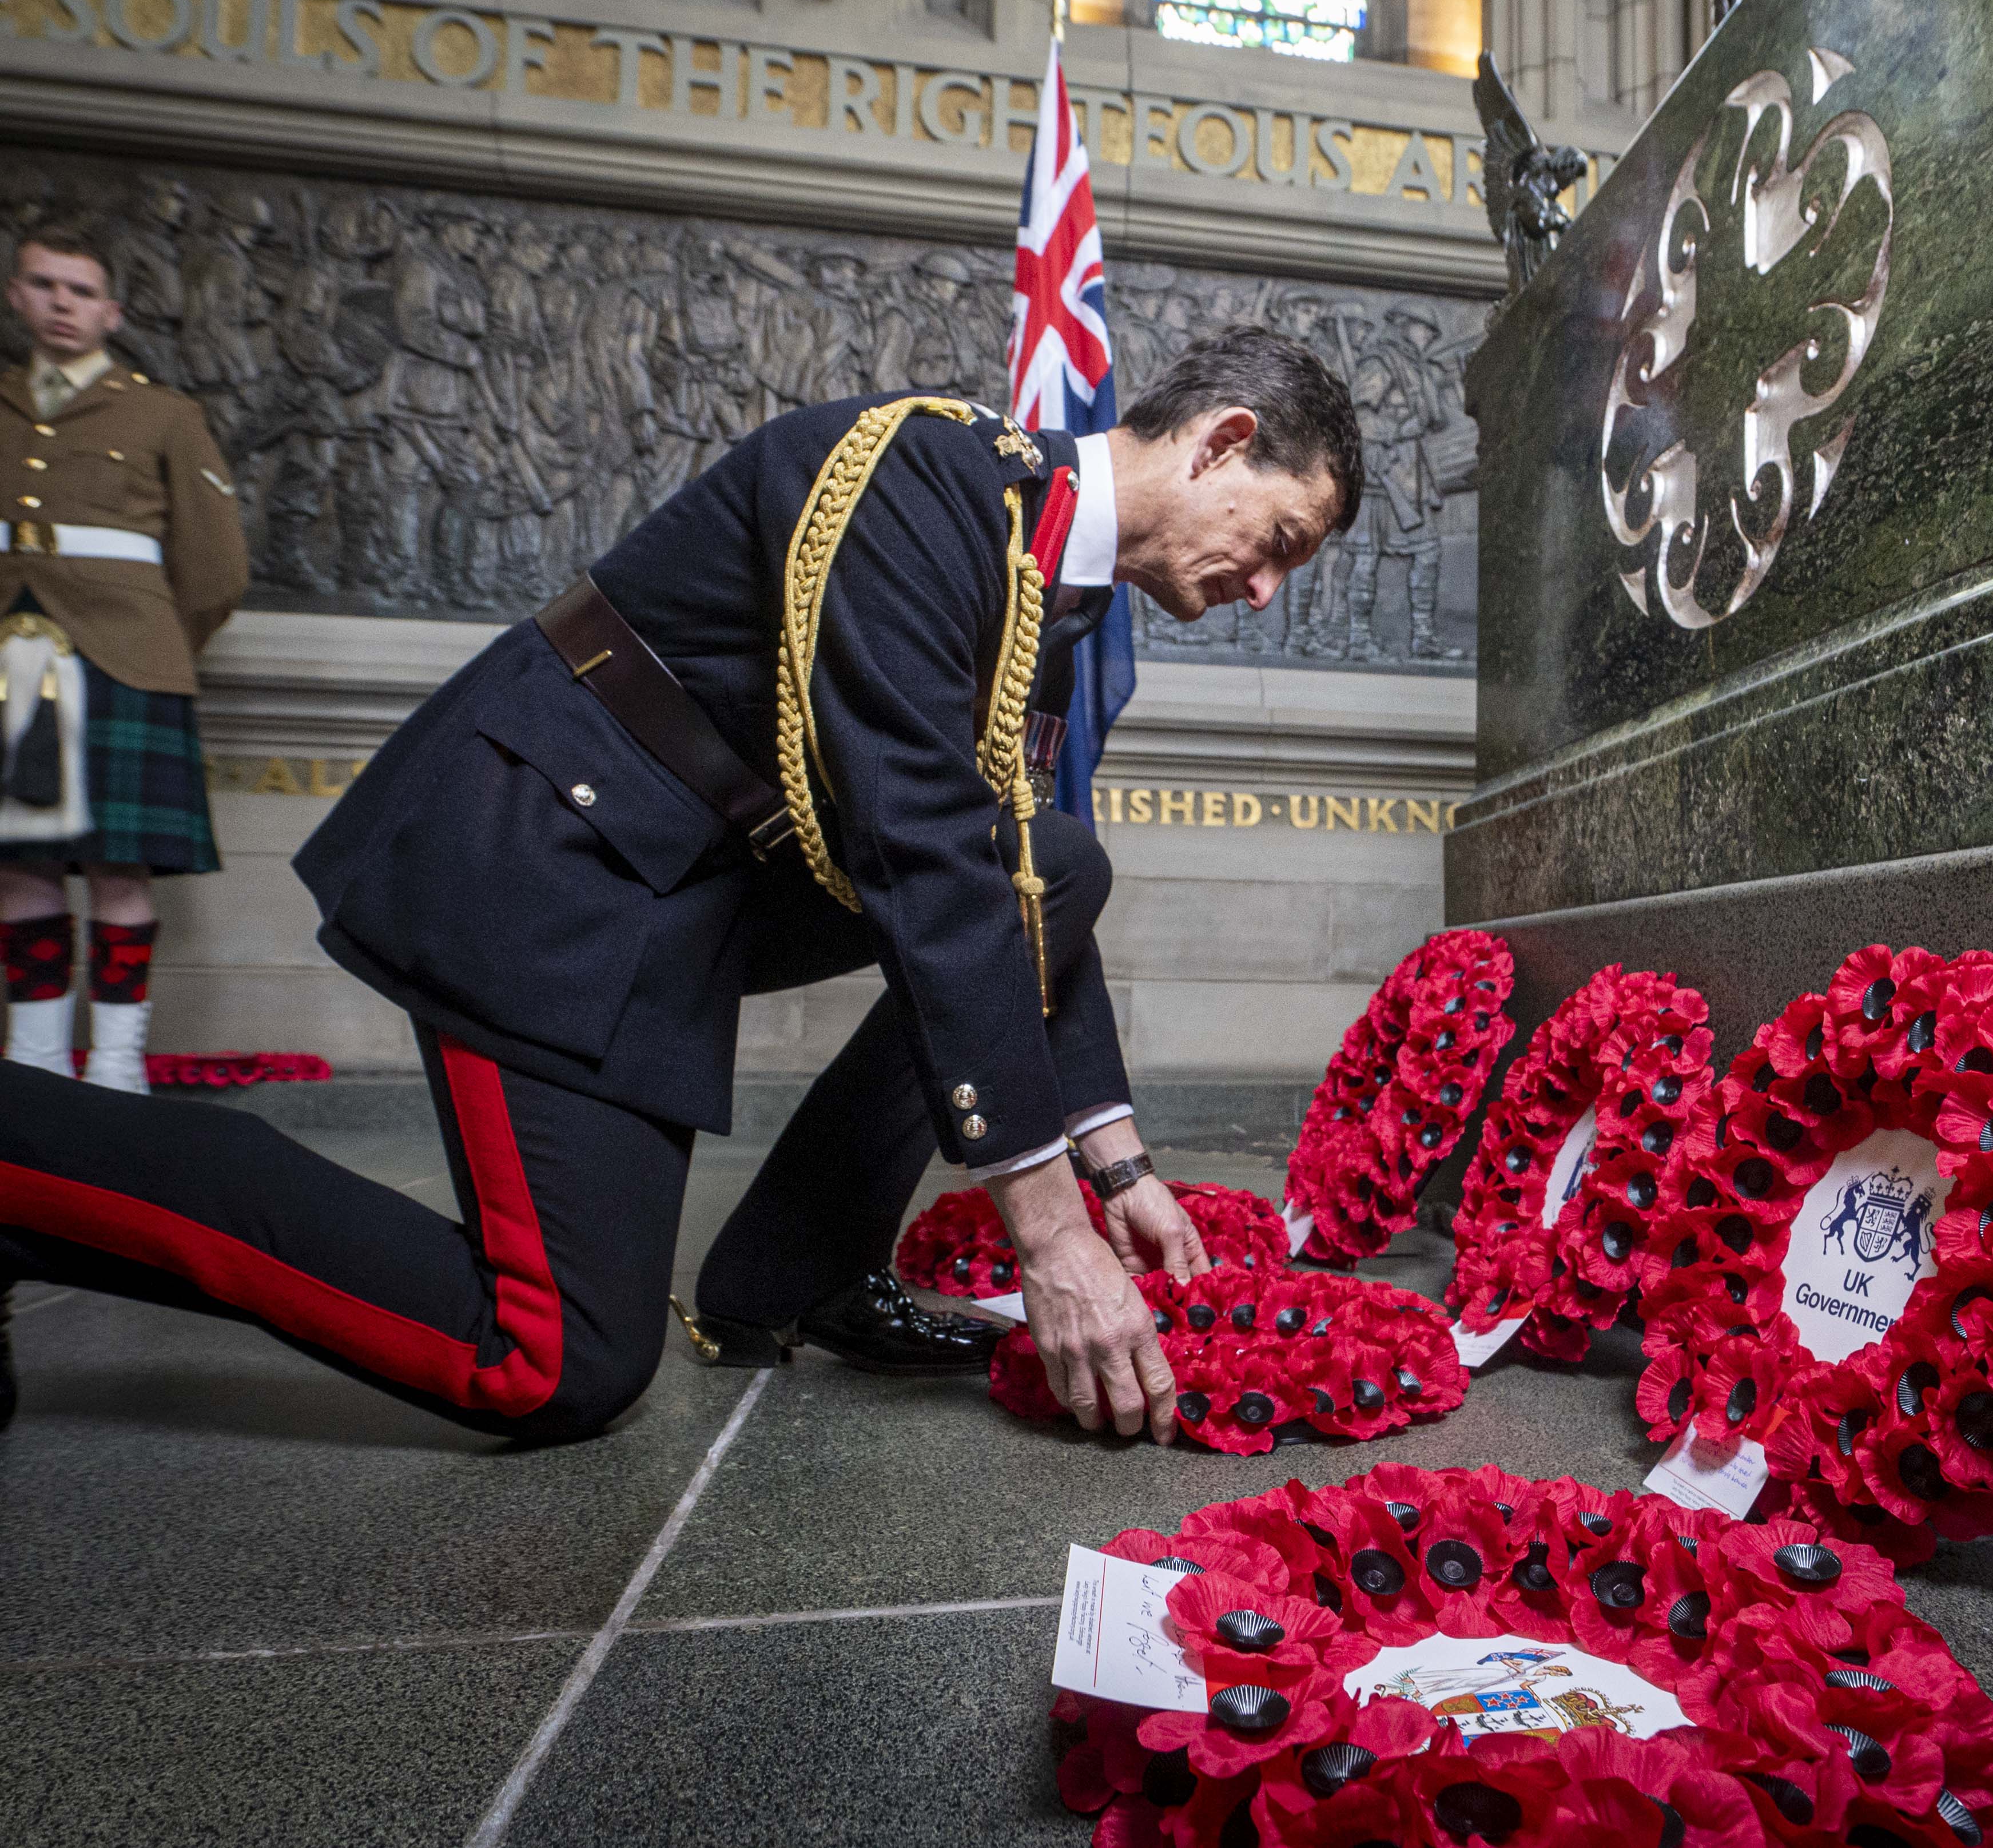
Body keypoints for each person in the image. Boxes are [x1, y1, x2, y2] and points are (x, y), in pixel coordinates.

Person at [0, 327, 1363, 1445]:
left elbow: (1004, 875)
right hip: (538, 865)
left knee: (1058, 863)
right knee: (550, 1366)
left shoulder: (1048, 594)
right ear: (1223, 441)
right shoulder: (927, 483)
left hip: (675, 890)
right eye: (1286, 542)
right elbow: (923, 850)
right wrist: (1049, 1235)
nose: (1264, 591)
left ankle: (793, 1273)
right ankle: (36, 1148)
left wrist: (1110, 1155)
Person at [0, 221, 248, 1095]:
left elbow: (217, 568)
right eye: (44, 284)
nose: (61, 303)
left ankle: (113, 1066)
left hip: (124, 661)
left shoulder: (164, 414)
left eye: (78, 290)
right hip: (9, 660)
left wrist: (154, 648)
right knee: (20, 865)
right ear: (18, 295)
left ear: (109, 309)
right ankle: (31, 1064)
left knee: (119, 868)